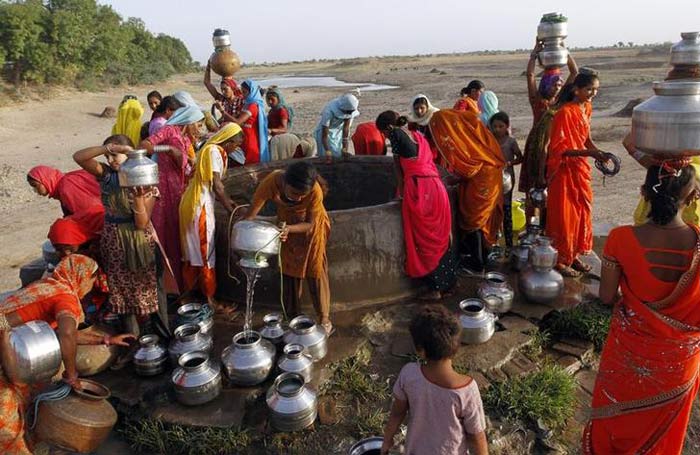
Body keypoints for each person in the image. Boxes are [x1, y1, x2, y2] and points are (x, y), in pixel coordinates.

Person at [585, 163, 700, 455]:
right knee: (660, 438)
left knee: (614, 422)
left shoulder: (620, 238)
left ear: (643, 193)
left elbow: (607, 296)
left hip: (628, 355)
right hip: (678, 364)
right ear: (692, 197)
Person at [0, 254, 134, 454]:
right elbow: (66, 333)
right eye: (92, 280)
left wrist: (105, 340)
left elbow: (57, 335)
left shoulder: (49, 285)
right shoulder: (65, 297)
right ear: (83, 276)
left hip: (10, 344)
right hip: (6, 349)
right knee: (7, 416)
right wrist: (72, 375)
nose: (90, 288)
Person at [73, 135, 167, 346]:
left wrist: (138, 199)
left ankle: (161, 338)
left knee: (149, 289)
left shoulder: (145, 182)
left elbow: (141, 224)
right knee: (121, 293)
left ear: (131, 155)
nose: (111, 160)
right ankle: (132, 343)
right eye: (108, 156)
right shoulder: (107, 177)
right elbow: (79, 157)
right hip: (113, 240)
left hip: (138, 240)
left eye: (116, 155)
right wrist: (108, 147)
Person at [381, 306, 488, 455]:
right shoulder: (467, 391)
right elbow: (477, 437)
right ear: (456, 346)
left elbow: (397, 414)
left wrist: (387, 441)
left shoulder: (409, 374)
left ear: (421, 350)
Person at [245, 161, 333, 334]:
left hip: (311, 231)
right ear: (285, 182)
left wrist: (289, 229)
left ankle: (324, 318)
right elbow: (250, 216)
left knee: (315, 270)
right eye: (294, 193)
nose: (299, 198)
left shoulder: (315, 191)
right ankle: (293, 316)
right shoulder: (271, 182)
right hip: (285, 224)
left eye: (302, 195)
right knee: (289, 270)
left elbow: (309, 224)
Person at [376, 111, 455, 300]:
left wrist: (400, 196)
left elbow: (398, 170)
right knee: (439, 235)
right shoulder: (416, 134)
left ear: (388, 128)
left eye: (384, 134)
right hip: (436, 188)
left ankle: (434, 289)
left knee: (423, 239)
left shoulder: (395, 134)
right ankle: (447, 283)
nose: (386, 137)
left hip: (421, 190)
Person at [545, 73, 608, 277]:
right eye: (589, 89)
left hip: (580, 169)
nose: (593, 93)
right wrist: (590, 153)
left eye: (596, 89)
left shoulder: (586, 108)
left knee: (581, 214)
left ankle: (573, 256)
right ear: (576, 90)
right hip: (563, 172)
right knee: (564, 218)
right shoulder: (564, 113)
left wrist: (598, 152)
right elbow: (559, 150)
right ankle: (560, 260)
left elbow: (585, 138)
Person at [430, 109, 505, 272]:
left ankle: (477, 262)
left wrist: (452, 178)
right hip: (489, 178)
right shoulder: (470, 130)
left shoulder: (466, 135)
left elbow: (470, 167)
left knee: (474, 221)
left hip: (483, 182)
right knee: (482, 221)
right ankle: (483, 258)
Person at [141, 105, 205, 289]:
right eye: (197, 124)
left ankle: (178, 283)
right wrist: (168, 149)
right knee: (163, 232)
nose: (198, 128)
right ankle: (163, 283)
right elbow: (145, 146)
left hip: (178, 189)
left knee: (177, 234)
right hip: (164, 186)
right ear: (188, 121)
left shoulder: (185, 138)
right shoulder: (169, 130)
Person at [179, 123, 239, 308]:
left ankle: (191, 295)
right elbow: (217, 185)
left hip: (193, 203)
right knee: (205, 253)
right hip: (200, 206)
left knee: (192, 252)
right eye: (236, 144)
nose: (236, 148)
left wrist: (228, 202)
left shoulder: (211, 149)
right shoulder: (214, 151)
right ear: (228, 141)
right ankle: (209, 299)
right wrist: (232, 210)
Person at [519, 41, 578, 219]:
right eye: (554, 85)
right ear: (545, 84)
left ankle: (548, 224)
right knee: (534, 190)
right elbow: (530, 75)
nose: (557, 87)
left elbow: (575, 72)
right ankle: (532, 226)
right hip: (537, 148)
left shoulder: (559, 102)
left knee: (551, 188)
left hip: (553, 146)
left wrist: (563, 50)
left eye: (559, 85)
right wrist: (534, 54)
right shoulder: (537, 101)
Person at [490, 112, 523, 248]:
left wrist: (509, 163)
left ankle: (509, 243)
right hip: (491, 177)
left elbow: (520, 158)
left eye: (500, 126)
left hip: (506, 179)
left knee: (506, 208)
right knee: (493, 209)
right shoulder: (489, 139)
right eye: (495, 126)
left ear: (507, 127)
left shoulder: (511, 142)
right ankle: (494, 240)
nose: (497, 129)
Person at [27, 165, 103, 218]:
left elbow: (87, 213)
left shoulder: (66, 187)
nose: (35, 190)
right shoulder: (61, 187)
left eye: (35, 186)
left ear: (45, 179)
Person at [227, 79, 270, 164]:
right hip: (244, 136)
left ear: (252, 92)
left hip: (250, 137)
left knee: (251, 159)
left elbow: (238, 122)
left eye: (245, 92)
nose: (243, 95)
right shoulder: (247, 105)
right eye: (242, 92)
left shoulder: (253, 106)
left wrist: (222, 112)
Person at [314, 93, 360, 158]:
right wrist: (327, 150)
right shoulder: (328, 111)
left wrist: (344, 148)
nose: (349, 114)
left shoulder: (349, 110)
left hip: (339, 132)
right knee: (328, 156)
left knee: (340, 153)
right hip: (326, 133)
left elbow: (346, 128)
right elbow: (324, 136)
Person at [406, 94, 440, 162]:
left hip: (436, 154)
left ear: (427, 107)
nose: (419, 111)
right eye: (416, 108)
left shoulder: (435, 118)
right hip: (421, 154)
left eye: (422, 108)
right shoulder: (413, 122)